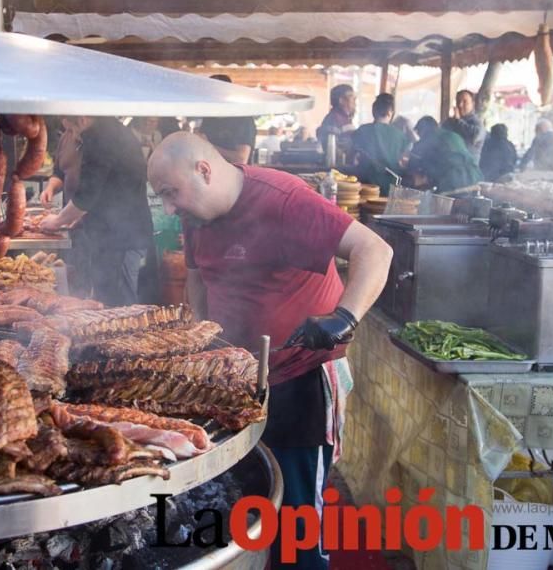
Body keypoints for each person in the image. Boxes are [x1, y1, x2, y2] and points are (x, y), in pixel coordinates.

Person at [148, 133, 392, 569]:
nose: (168, 207)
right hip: (236, 380)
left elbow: (375, 250)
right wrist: (202, 340)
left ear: (203, 171)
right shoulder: (196, 215)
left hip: (301, 376)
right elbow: (198, 277)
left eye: (170, 193)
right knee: (245, 494)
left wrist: (344, 318)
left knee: (297, 517)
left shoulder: (283, 200)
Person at [39, 117, 154, 306]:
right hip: (109, 233)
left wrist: (58, 221)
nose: (73, 136)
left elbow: (87, 193)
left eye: (72, 130)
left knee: (120, 305)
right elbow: (100, 191)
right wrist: (78, 216)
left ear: (82, 120)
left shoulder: (103, 137)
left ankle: (121, 335)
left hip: (123, 237)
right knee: (105, 296)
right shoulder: (105, 131)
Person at [39, 115, 91, 298]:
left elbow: (93, 191)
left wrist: (59, 219)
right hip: (71, 224)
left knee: (98, 283)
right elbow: (59, 171)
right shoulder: (65, 138)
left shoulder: (95, 141)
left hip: (95, 225)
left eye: (71, 126)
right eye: (65, 126)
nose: (68, 130)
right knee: (75, 277)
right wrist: (50, 188)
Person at [347, 93, 409, 195]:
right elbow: (403, 161)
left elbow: (351, 158)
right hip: (390, 189)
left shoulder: (362, 131)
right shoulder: (400, 135)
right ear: (390, 112)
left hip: (365, 187)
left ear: (373, 111)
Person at [413, 118, 483, 192]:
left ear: (423, 130)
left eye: (419, 133)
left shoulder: (428, 139)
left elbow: (414, 167)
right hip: (475, 177)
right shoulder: (454, 135)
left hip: (454, 181)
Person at [317, 84, 356, 161]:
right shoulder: (333, 120)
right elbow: (333, 151)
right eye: (353, 99)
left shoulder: (345, 119)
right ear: (341, 100)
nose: (355, 103)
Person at [454, 89, 485, 157]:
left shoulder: (477, 122)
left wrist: (458, 121)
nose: (460, 105)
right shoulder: (451, 122)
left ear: (472, 104)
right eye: (458, 101)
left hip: (467, 166)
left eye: (465, 102)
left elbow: (475, 136)